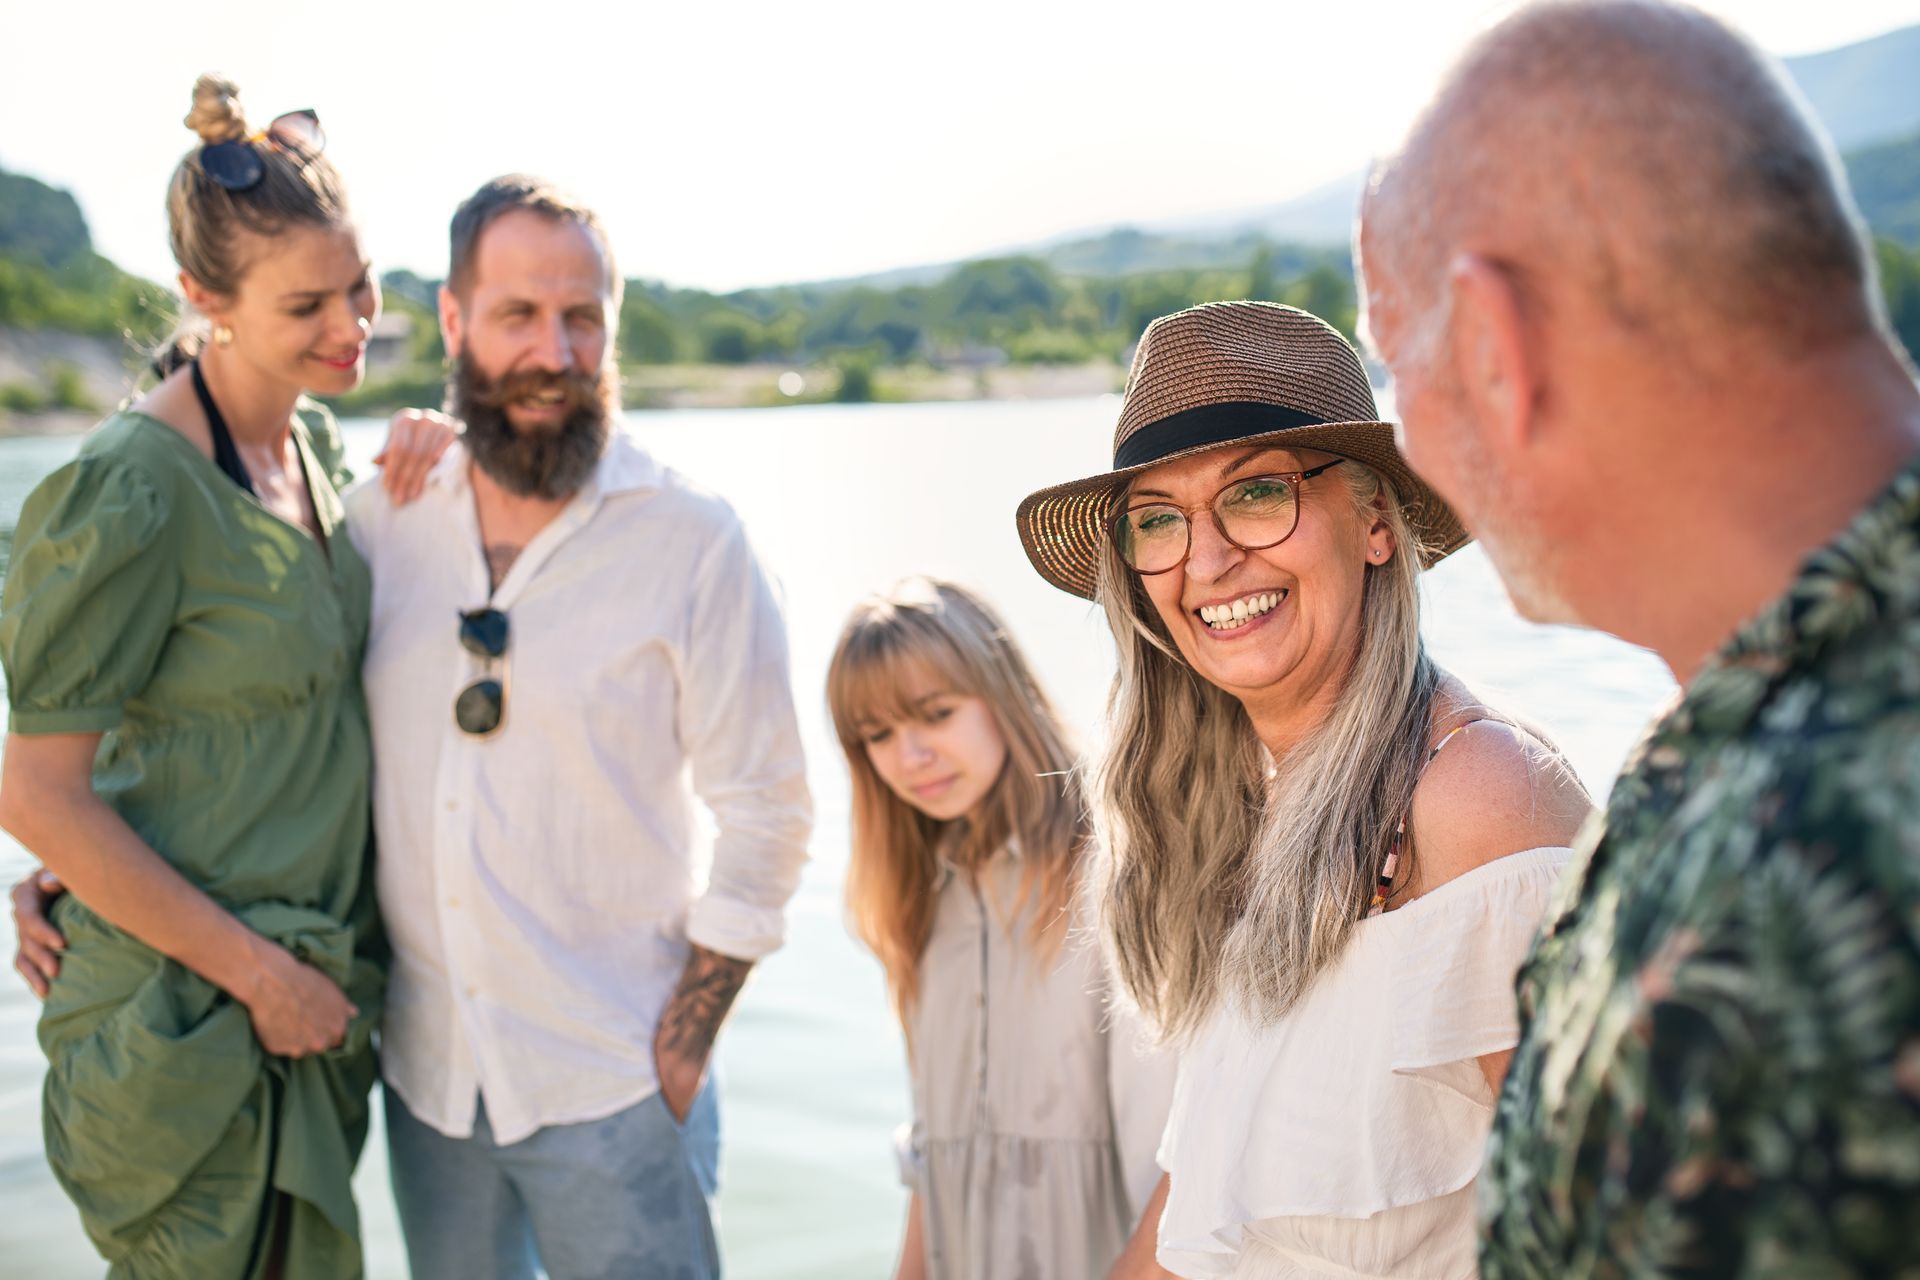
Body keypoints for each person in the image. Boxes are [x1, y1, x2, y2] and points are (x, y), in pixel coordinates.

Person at [1355, 1, 1920, 1273]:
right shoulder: (1756, 715)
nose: (1415, 448)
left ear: (1496, 350)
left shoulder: (1785, 887)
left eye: (1399, 372)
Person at [1015, 301, 1594, 1279]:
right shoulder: (1247, 798)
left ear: (1375, 520)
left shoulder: (1478, 799)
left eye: (1256, 495)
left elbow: (1595, 1227)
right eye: (1159, 519)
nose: (1204, 560)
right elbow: (1212, 1198)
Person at [345, 175, 810, 1280]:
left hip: (617, 1079)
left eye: (583, 317)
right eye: (518, 315)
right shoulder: (376, 521)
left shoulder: (695, 539)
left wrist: (687, 1037)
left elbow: (769, 807)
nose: (555, 350)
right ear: (454, 322)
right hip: (426, 1082)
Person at [0, 74, 390, 1278]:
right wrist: (263, 977)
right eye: (308, 304)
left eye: (361, 285)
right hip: (188, 1028)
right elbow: (33, 789)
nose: (352, 325)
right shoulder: (132, 489)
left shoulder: (319, 446)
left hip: (306, 1010)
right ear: (202, 301)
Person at [826, 577, 1173, 1280]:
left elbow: (1190, 1154)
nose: (909, 755)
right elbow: (936, 1156)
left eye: (935, 713)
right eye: (878, 736)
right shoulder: (920, 901)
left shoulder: (1122, 865)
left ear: (999, 692)